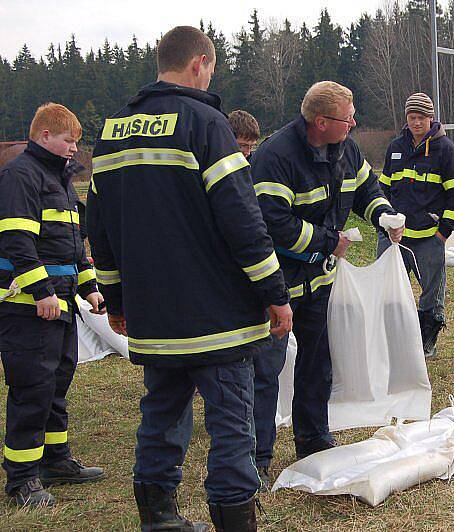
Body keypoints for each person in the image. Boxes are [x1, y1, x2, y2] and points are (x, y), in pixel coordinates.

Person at [87, 26, 292, 530]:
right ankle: (234, 519)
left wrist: (115, 301)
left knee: (160, 417)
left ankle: (158, 519)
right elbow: (242, 219)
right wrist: (274, 294)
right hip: (217, 317)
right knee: (230, 428)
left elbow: (101, 229)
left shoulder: (112, 132)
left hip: (154, 317)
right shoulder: (206, 122)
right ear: (200, 63)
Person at [249, 80, 403, 488]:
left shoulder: (346, 147)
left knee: (318, 364)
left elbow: (367, 186)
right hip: (276, 282)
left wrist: (382, 214)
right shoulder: (275, 156)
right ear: (320, 122)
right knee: (266, 370)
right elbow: (270, 221)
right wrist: (328, 242)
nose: (354, 123)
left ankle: (313, 439)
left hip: (319, 280)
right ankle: (256, 459)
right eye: (347, 118)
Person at [0, 103, 105, 507]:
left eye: (77, 142)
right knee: (31, 388)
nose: (74, 150)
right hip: (28, 305)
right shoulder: (20, 175)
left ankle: (55, 460)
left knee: (57, 384)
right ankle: (22, 478)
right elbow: (16, 241)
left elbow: (74, 246)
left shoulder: (58, 179)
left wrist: (90, 286)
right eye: (68, 141)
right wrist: (42, 291)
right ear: (44, 135)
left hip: (59, 303)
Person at [377, 92, 454, 359]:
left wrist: (443, 232)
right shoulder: (395, 148)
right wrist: (383, 221)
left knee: (431, 292)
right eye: (412, 117)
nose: (416, 123)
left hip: (429, 236)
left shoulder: (446, 150)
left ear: (431, 118)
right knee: (387, 287)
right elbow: (383, 187)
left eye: (421, 118)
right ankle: (392, 339)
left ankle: (427, 338)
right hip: (394, 236)